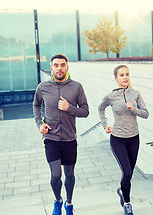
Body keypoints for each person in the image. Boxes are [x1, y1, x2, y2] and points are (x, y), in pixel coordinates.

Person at [33, 54, 89, 215]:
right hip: (51, 138)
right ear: (51, 68)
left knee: (69, 174)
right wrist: (40, 123)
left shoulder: (76, 87)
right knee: (56, 174)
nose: (59, 68)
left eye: (62, 65)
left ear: (67, 67)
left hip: (70, 139)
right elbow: (36, 104)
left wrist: (69, 108)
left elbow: (85, 111)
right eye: (56, 65)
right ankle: (58, 200)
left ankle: (69, 204)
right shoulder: (43, 87)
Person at [98, 65, 149, 215]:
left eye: (127, 74)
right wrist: (105, 125)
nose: (125, 77)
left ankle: (121, 190)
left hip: (134, 138)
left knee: (129, 174)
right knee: (126, 172)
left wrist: (133, 109)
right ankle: (127, 203)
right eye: (121, 75)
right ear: (116, 78)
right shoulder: (111, 96)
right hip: (118, 139)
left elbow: (146, 114)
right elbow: (100, 108)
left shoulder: (136, 94)